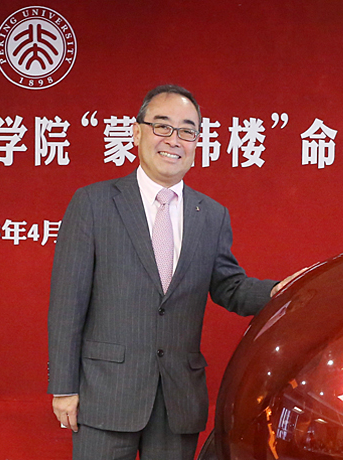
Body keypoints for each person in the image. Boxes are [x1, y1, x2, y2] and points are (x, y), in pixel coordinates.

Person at [48, 84, 292, 460]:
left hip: (177, 398)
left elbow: (229, 286)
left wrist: (278, 292)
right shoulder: (94, 203)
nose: (174, 140)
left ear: (197, 142)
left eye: (187, 131)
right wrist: (64, 387)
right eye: (162, 126)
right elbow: (68, 303)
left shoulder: (211, 214)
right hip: (106, 393)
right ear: (137, 132)